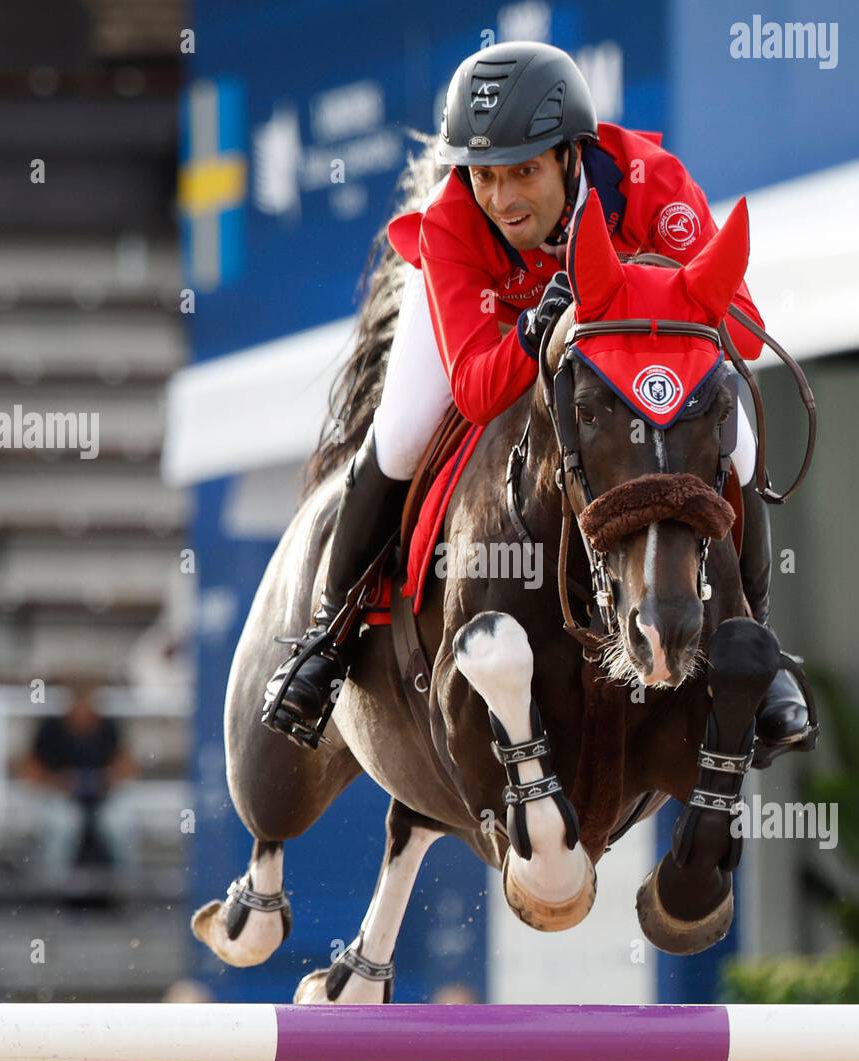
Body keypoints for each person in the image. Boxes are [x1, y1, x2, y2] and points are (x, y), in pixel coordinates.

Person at [264, 40, 810, 755]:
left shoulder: (652, 184)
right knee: (400, 434)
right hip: (493, 332)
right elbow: (478, 388)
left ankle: (757, 641)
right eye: (485, 176)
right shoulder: (455, 221)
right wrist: (534, 331)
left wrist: (648, 308)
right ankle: (328, 637)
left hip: (628, 342)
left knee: (732, 424)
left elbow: (739, 320)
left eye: (524, 171)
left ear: (570, 157)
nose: (502, 199)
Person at [21, 680, 138, 884]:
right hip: (60, 799)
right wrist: (59, 782)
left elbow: (126, 768)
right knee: (64, 824)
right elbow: (30, 772)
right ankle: (53, 886)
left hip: (102, 799)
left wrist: (105, 779)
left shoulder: (108, 728)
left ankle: (125, 886)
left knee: (119, 824)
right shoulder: (51, 730)